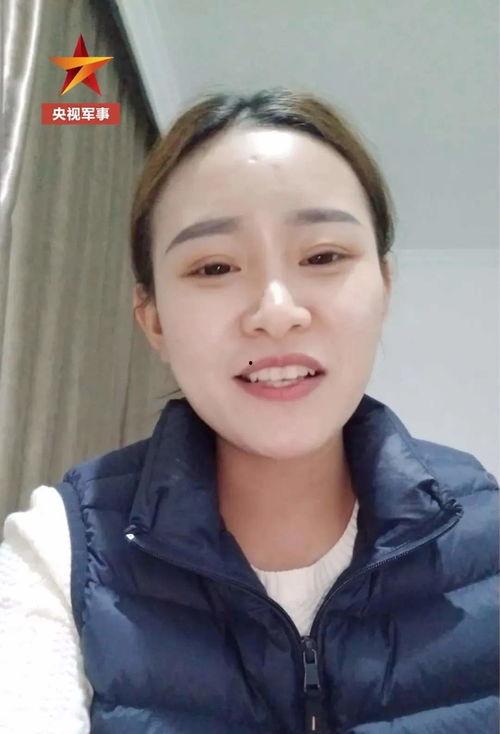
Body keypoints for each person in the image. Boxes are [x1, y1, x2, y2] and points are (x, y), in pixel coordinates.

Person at [0, 87, 498, 734]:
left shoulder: (489, 538)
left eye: (323, 256)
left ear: (385, 284)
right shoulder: (62, 551)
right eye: (213, 267)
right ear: (153, 319)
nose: (277, 311)